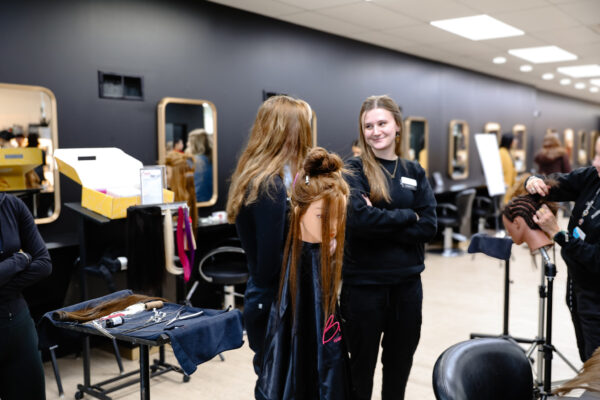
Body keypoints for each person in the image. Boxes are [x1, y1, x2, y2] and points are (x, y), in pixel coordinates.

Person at [342, 95, 437, 400]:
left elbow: (429, 226)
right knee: (359, 374)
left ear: (397, 125)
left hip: (407, 287)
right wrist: (408, 216)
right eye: (368, 126)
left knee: (398, 369)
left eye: (382, 123)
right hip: (364, 288)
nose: (375, 131)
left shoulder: (414, 170)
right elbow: (358, 220)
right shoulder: (352, 169)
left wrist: (379, 221)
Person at [225, 95, 312, 390]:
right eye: (302, 126)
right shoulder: (269, 186)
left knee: (275, 378)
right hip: (273, 298)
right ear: (286, 131)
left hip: (269, 296)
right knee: (275, 383)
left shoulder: (258, 177)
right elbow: (269, 265)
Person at [257, 147, 350, 399]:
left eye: (340, 217)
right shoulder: (290, 263)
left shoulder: (323, 258)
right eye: (322, 216)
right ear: (299, 212)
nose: (333, 226)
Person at [526, 135, 600, 362]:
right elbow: (558, 184)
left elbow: (596, 259)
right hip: (578, 286)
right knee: (586, 357)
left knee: (595, 366)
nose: (595, 162)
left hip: (597, 295)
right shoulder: (592, 177)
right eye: (596, 154)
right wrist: (534, 181)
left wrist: (558, 233)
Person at [0, 192, 52, 399]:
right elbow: (31, 259)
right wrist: (19, 260)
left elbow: (43, 263)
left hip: (18, 323)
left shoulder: (12, 205)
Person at [185, 128, 213, 202]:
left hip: (197, 201)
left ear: (195, 144)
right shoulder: (213, 159)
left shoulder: (191, 161)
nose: (187, 144)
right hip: (209, 200)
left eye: (189, 141)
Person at [499, 132, 517, 203]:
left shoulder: (507, 152)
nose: (515, 142)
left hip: (508, 187)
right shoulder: (502, 153)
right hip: (505, 186)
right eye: (514, 140)